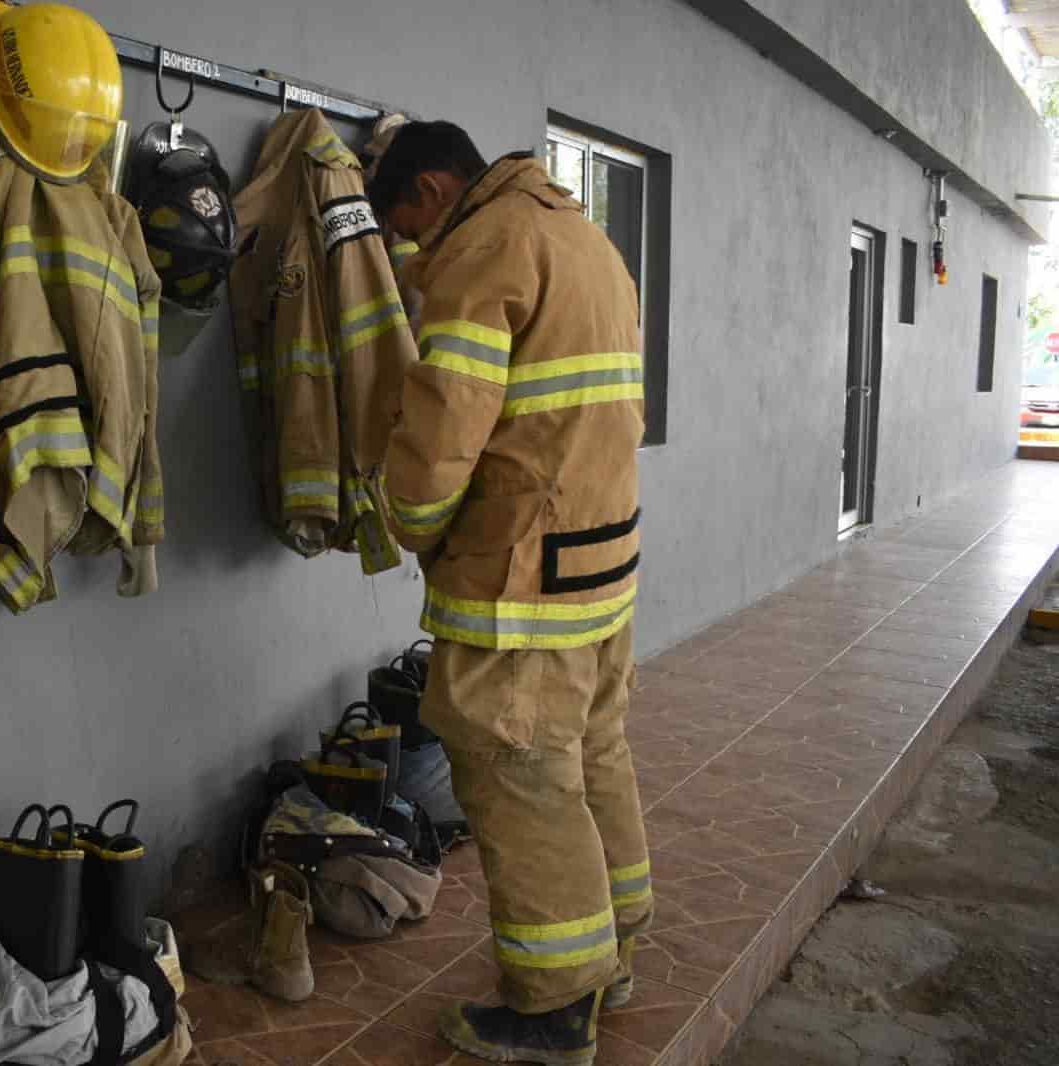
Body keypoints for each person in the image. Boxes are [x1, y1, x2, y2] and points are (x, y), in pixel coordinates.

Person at [368, 121, 652, 1065]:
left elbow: (446, 423)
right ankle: (613, 943)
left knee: (519, 773)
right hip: (598, 561)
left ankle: (555, 1005)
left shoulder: (488, 247)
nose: (412, 251)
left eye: (407, 227)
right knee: (589, 751)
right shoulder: (583, 238)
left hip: (519, 579)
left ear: (437, 186)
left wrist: (403, 518)